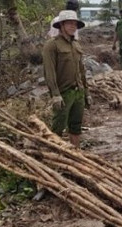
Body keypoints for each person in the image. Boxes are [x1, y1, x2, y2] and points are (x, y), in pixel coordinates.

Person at [42, 10, 90, 148]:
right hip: (64, 93)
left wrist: (86, 92)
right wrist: (55, 95)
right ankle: (54, 155)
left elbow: (81, 72)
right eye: (69, 23)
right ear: (61, 25)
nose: (72, 26)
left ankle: (76, 153)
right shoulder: (52, 45)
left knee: (75, 127)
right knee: (58, 127)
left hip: (78, 92)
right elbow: (49, 72)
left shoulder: (76, 45)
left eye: (74, 24)